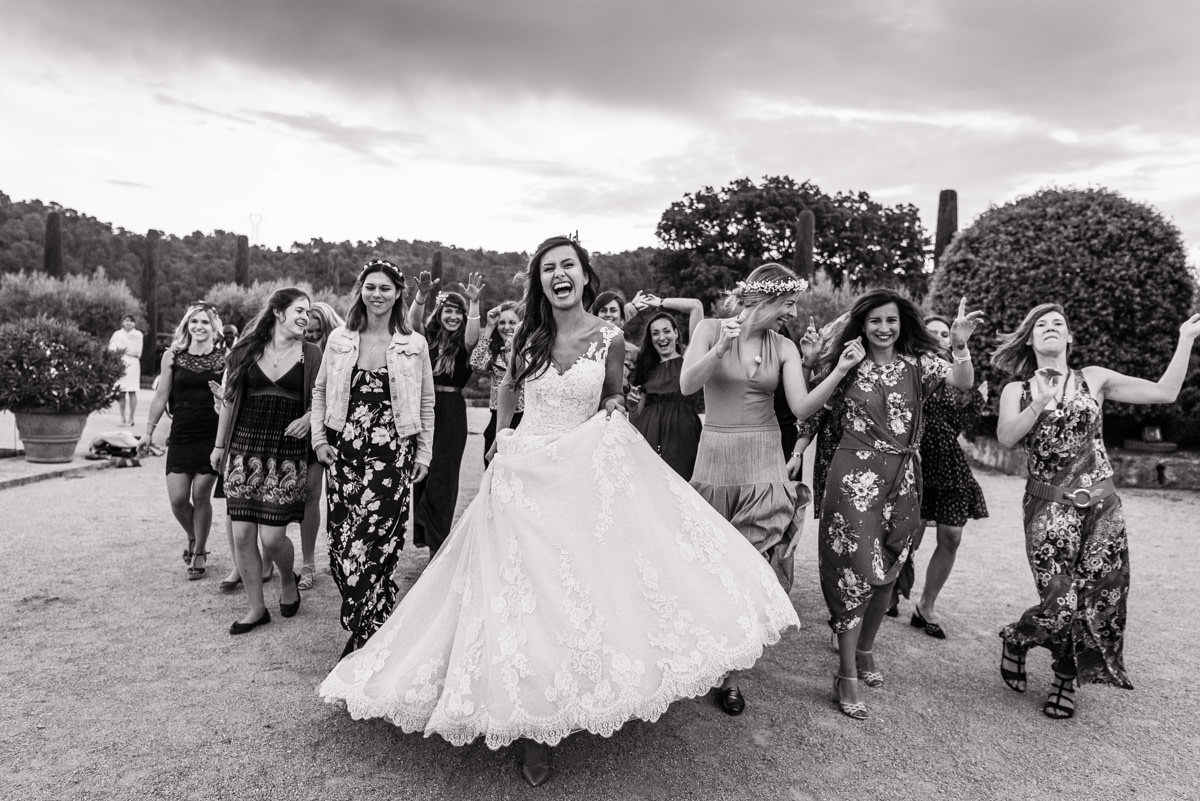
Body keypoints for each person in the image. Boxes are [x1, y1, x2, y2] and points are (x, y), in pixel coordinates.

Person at [319, 236, 798, 788]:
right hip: (524, 475)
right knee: (520, 595)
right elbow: (506, 387)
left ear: (584, 275)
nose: (558, 275)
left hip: (582, 475)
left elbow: (611, 396)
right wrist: (501, 437)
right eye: (548, 269)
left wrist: (616, 410)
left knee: (577, 591)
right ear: (540, 281)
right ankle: (529, 727)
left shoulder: (613, 338)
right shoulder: (529, 335)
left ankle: (567, 698)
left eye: (566, 265)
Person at [994, 304, 1200, 719]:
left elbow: (1165, 392)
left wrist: (1186, 340)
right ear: (1031, 340)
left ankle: (1065, 679)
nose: (1051, 329)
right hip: (1048, 505)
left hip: (1102, 507)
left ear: (1069, 338)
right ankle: (1018, 637)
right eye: (1041, 326)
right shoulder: (1017, 390)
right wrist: (1041, 403)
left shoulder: (1094, 378)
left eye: (1059, 324)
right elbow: (1005, 439)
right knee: (1059, 604)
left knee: (1099, 599)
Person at [681, 263, 864, 714]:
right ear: (763, 300)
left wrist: (839, 370)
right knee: (711, 564)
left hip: (764, 459)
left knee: (752, 564)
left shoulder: (781, 346)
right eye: (788, 303)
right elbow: (688, 385)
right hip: (716, 458)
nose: (794, 311)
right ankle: (707, 652)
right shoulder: (708, 328)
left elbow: (801, 406)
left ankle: (732, 675)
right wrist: (720, 347)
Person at [795, 290, 982, 720]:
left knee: (888, 571)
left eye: (891, 321)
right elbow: (811, 409)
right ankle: (846, 673)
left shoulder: (918, 365)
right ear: (862, 324)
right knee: (853, 570)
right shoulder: (846, 364)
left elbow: (963, 382)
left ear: (902, 325)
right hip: (853, 478)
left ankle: (865, 649)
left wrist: (959, 343)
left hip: (904, 478)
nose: (884, 328)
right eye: (875, 320)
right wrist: (798, 450)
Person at [312, 260, 435, 658]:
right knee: (341, 546)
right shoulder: (339, 339)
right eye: (370, 287)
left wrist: (424, 453)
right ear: (360, 291)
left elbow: (427, 403)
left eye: (385, 288)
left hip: (391, 455)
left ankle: (367, 637)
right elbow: (319, 393)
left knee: (377, 545)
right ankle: (372, 620)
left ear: (398, 293)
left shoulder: (413, 343)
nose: (376, 294)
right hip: (344, 452)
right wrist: (318, 440)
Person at [210, 288, 322, 635]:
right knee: (243, 534)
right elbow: (229, 400)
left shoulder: (312, 354)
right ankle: (256, 608)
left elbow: (327, 397)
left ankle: (288, 578)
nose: (305, 317)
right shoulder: (244, 350)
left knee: (273, 539)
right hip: (245, 447)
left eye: (308, 312)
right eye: (299, 310)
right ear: (277, 312)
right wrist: (218, 447)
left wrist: (309, 417)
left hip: (286, 451)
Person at [888, 314, 989, 637]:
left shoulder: (957, 370)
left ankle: (926, 606)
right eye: (931, 332)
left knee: (952, 536)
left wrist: (978, 402)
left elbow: (962, 420)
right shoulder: (909, 365)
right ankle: (890, 589)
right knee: (908, 537)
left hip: (948, 460)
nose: (939, 337)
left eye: (944, 333)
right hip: (915, 458)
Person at [138, 303, 226, 579]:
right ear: (187, 325)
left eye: (205, 322)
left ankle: (199, 552)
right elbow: (161, 395)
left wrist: (222, 398)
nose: (199, 326)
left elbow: (232, 398)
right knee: (177, 500)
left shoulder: (224, 359)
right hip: (182, 433)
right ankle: (193, 535)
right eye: (194, 322)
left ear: (215, 328)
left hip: (211, 433)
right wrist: (148, 431)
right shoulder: (173, 356)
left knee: (201, 495)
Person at [406, 271, 484, 555]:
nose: (452, 316)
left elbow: (474, 339)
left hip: (451, 412)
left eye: (457, 313)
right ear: (439, 313)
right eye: (448, 311)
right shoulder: (428, 340)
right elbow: (413, 321)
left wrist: (474, 304)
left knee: (443, 477)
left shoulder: (465, 344)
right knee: (422, 473)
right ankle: (428, 541)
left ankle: (438, 543)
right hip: (425, 409)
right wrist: (422, 296)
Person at [294, 301, 344, 590]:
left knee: (314, 493)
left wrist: (313, 417)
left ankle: (309, 563)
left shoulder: (340, 349)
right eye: (306, 331)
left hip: (330, 428)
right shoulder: (297, 348)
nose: (310, 336)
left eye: (316, 331)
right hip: (298, 424)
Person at [628, 295, 704, 478]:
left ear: (676, 333)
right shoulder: (645, 369)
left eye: (666, 331)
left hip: (684, 440)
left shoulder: (691, 360)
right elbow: (635, 416)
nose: (661, 337)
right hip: (648, 437)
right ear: (650, 339)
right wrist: (631, 406)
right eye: (655, 333)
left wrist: (661, 302)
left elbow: (696, 306)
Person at [469, 300, 524, 464]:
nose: (507, 327)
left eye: (512, 322)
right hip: (498, 418)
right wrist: (490, 326)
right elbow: (475, 363)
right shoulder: (494, 354)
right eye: (502, 322)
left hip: (524, 419)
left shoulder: (530, 350)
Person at [109, 315, 144, 426]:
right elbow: (112, 348)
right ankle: (122, 417)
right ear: (123, 322)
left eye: (131, 321)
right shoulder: (117, 334)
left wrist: (125, 350)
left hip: (133, 363)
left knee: (132, 390)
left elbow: (137, 350)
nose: (128, 323)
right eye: (126, 320)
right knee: (121, 392)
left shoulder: (138, 334)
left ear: (134, 323)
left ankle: (131, 418)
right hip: (120, 363)